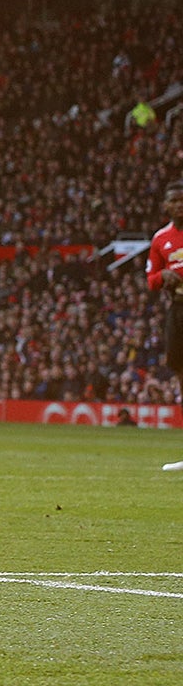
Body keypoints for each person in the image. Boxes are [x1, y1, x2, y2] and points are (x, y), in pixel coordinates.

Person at [148, 182, 183, 474]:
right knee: (180, 371)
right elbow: (151, 280)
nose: (180, 205)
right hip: (178, 308)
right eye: (174, 200)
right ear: (166, 206)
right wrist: (164, 275)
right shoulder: (161, 238)